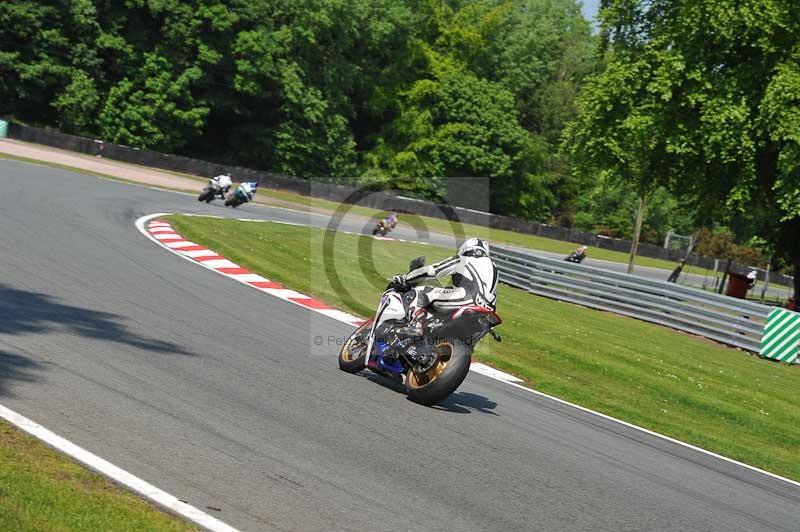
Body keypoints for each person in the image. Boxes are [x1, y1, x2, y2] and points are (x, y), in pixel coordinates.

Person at [379, 238, 498, 357]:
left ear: (465, 249)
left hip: (467, 298)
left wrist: (405, 278)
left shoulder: (463, 259)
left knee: (421, 291)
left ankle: (416, 326)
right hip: (487, 311)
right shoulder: (494, 268)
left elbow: (432, 270)